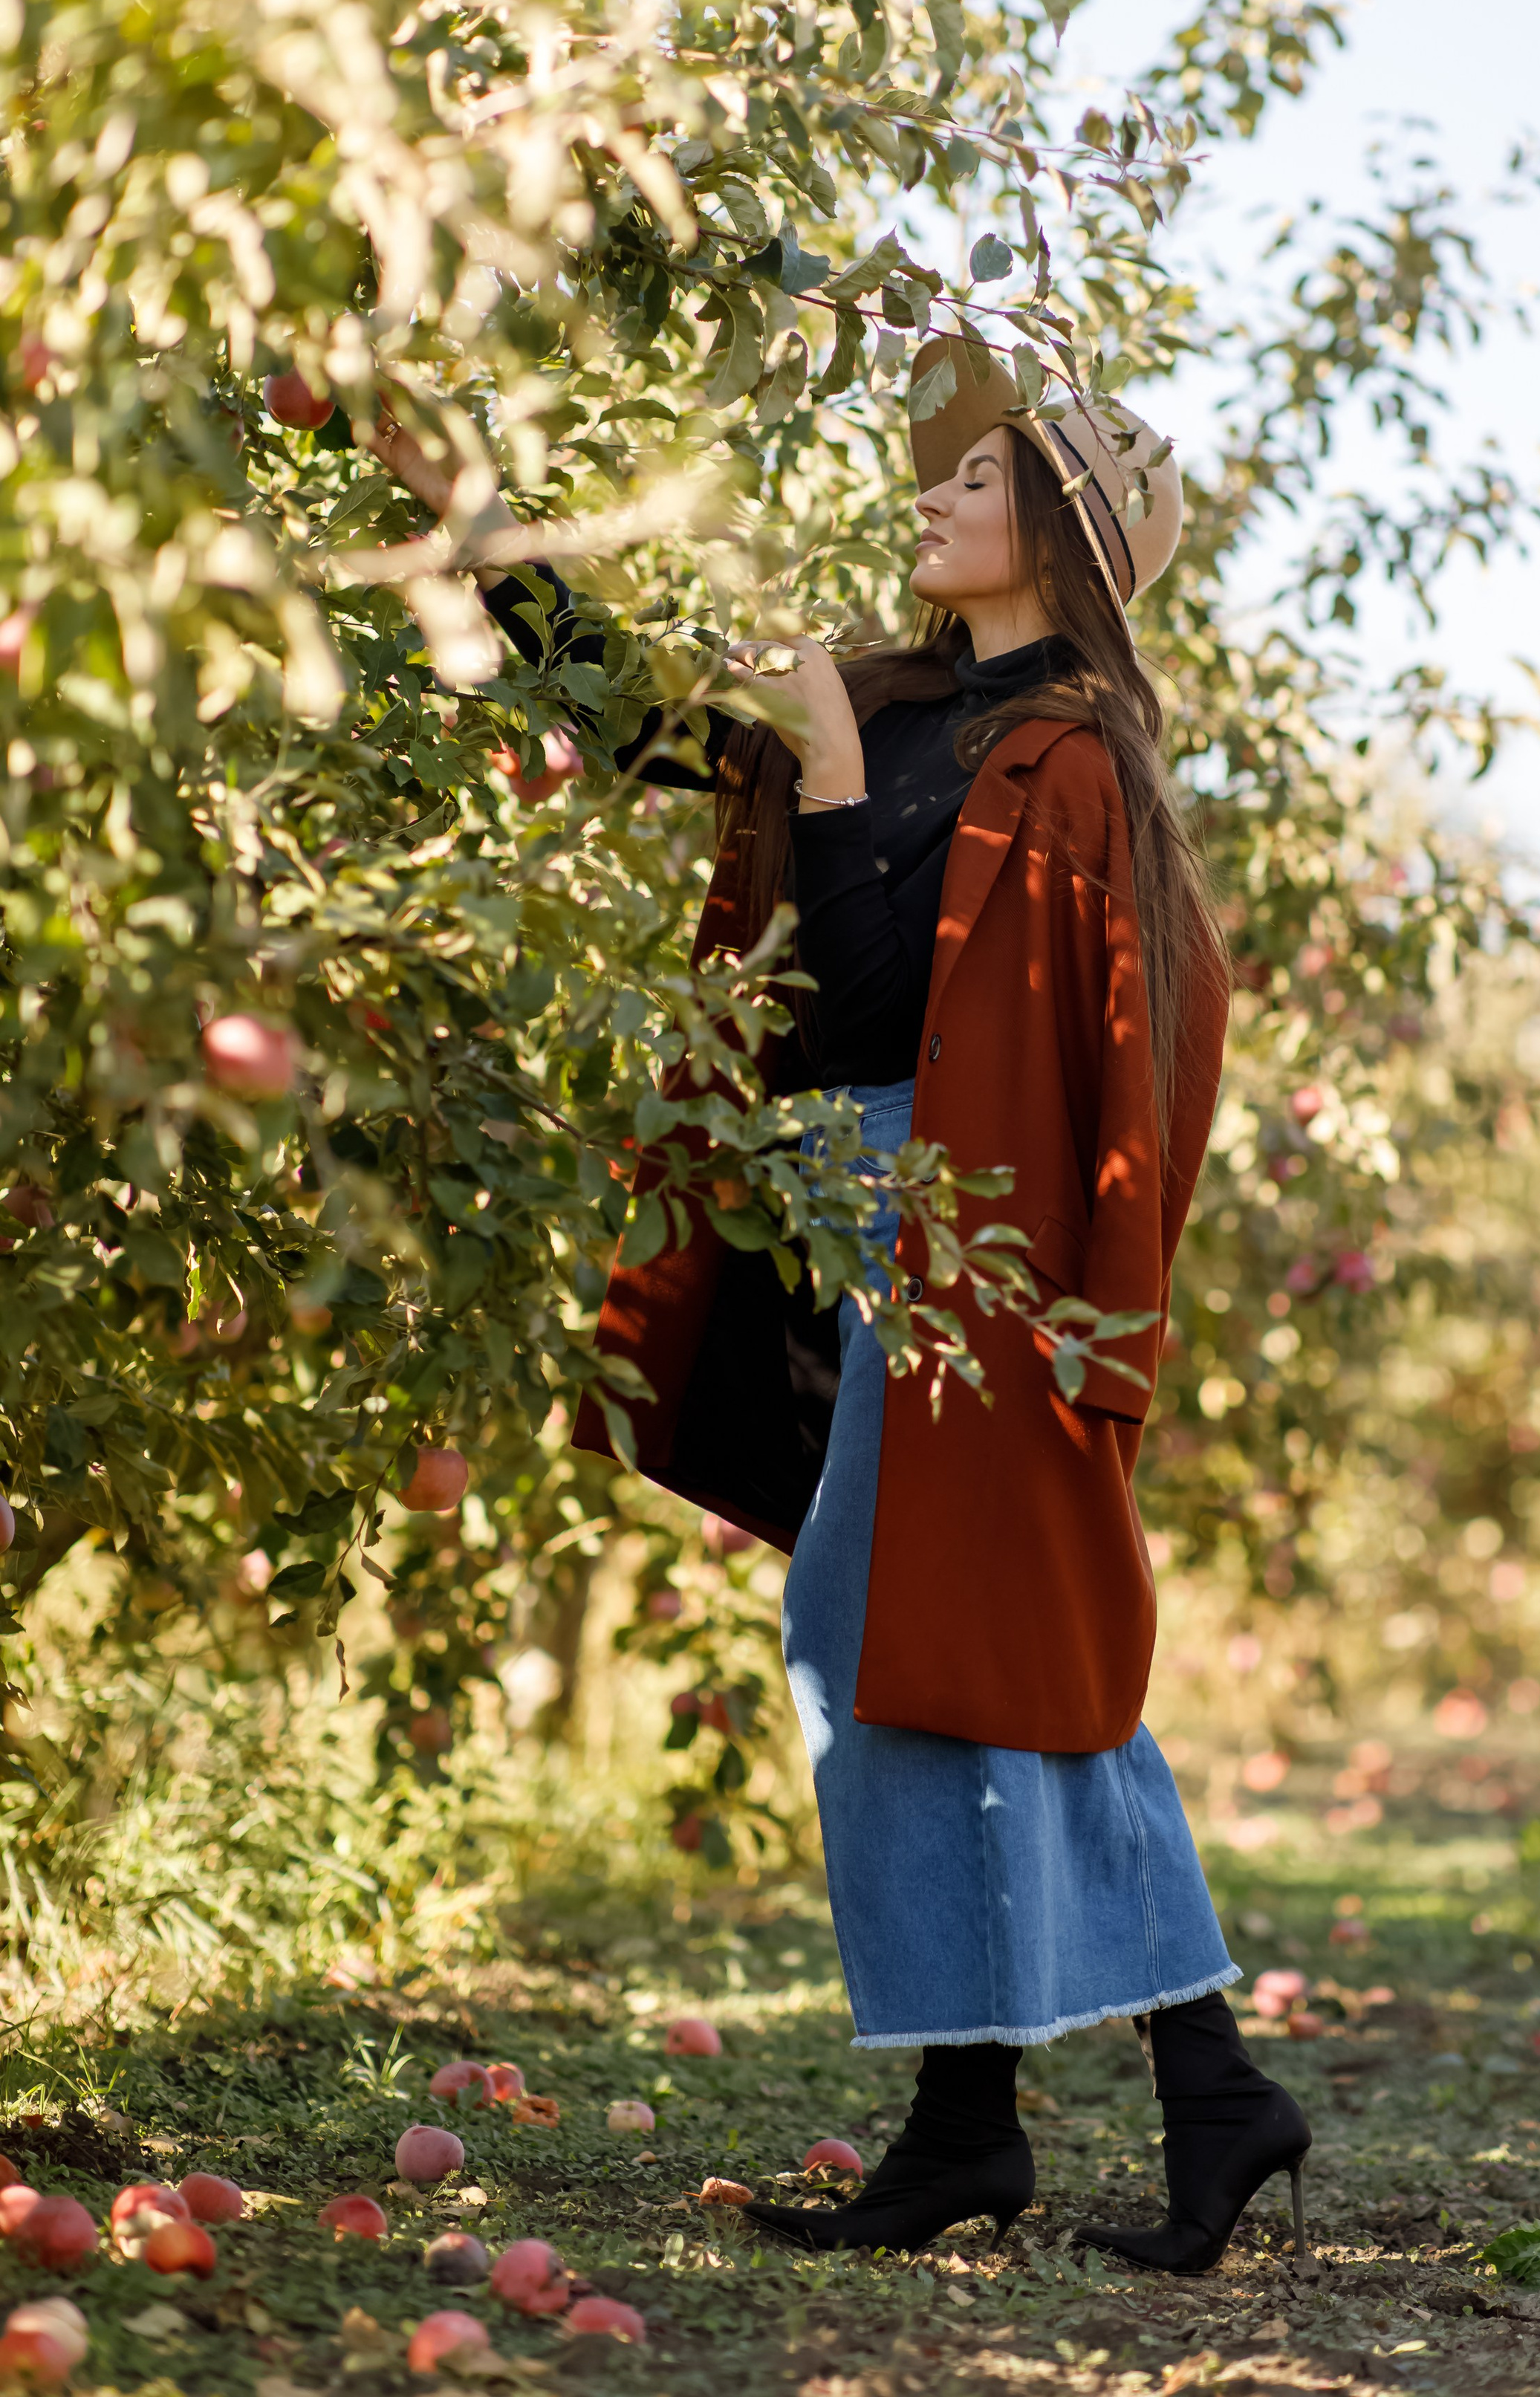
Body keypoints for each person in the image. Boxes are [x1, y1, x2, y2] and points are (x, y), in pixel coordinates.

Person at [370, 337, 1311, 2272]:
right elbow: (624, 719)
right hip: (833, 1200)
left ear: (1060, 541)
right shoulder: (882, 695)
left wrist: (823, 764)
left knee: (909, 1630)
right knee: (957, 1634)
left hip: (965, 1218)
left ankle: (1046, 2107)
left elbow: (977, 1004)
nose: (937, 500)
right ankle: (1145, 2094)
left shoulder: (1065, 761)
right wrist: (463, 516)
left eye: (982, 484)